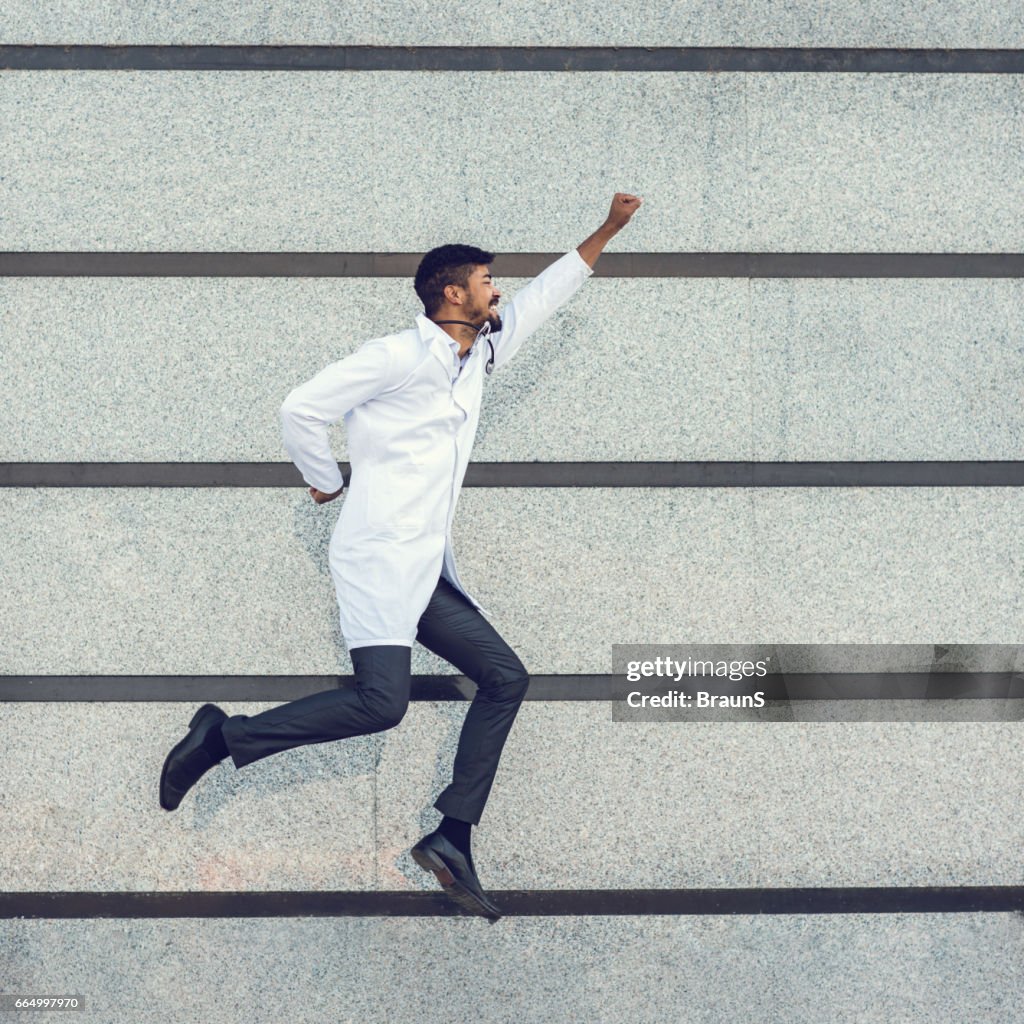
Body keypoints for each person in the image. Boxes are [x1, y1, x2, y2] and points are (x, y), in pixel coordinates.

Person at [160, 192, 644, 919]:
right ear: (453, 292)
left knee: (506, 677)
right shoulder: (394, 356)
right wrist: (325, 481)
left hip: (426, 566)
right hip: (379, 557)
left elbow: (544, 298)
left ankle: (452, 833)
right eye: (485, 282)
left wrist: (606, 230)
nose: (496, 291)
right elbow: (301, 408)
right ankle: (220, 738)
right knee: (380, 704)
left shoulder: (477, 352)